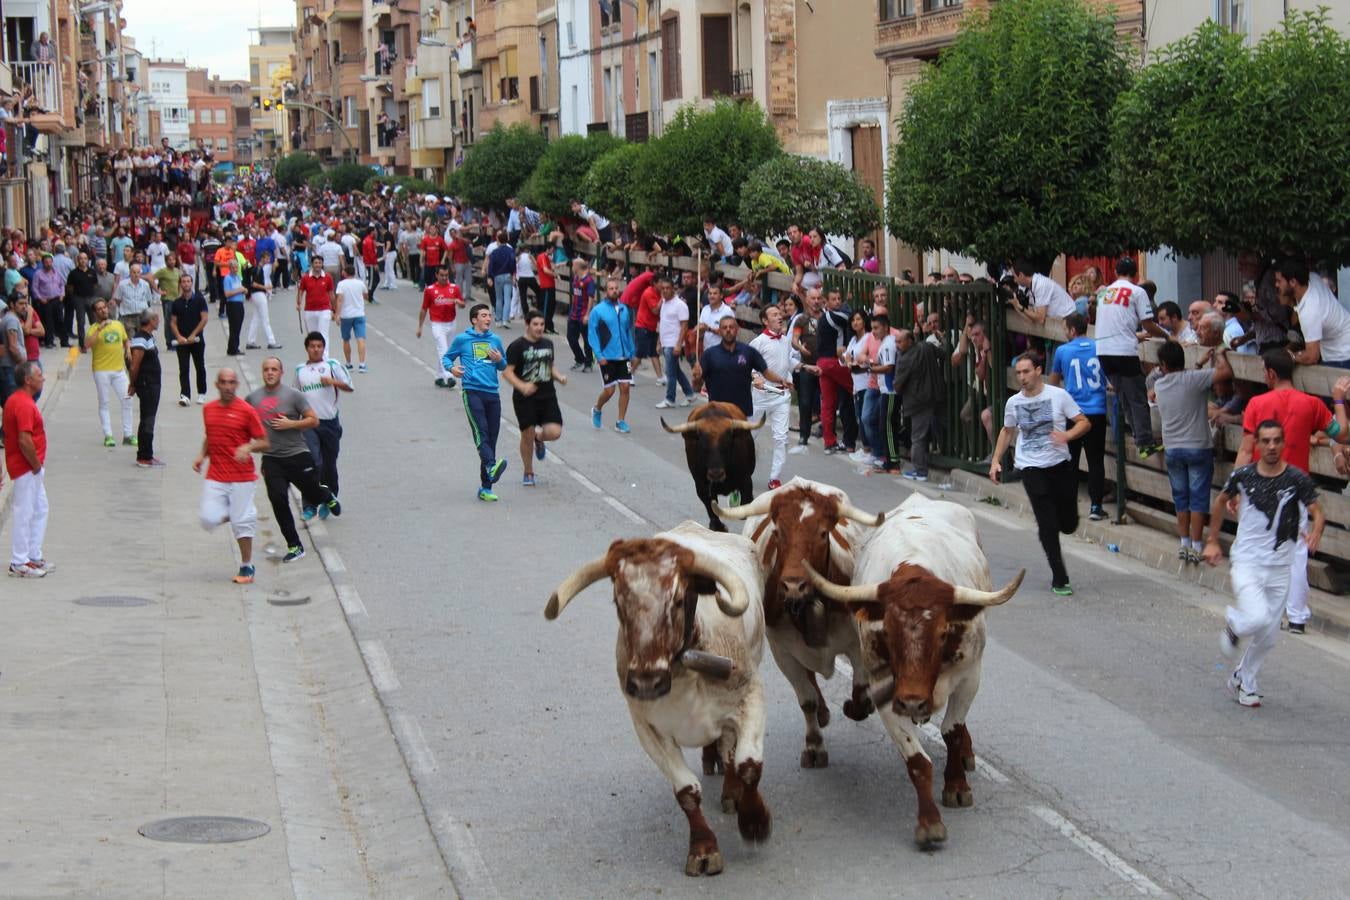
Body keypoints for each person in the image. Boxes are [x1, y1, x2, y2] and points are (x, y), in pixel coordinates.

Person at [1205, 421, 1325, 708]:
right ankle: (1235, 624)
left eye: (1276, 441)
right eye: (1266, 441)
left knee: (1268, 637)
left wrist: (1316, 531)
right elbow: (1221, 501)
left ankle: (1244, 680)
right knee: (1257, 617)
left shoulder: (1297, 479)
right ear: (1257, 445)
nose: (1271, 446)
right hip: (1248, 562)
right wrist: (1212, 540)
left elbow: (1317, 511)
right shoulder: (1243, 476)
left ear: (1284, 444)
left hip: (1280, 566)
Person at [1233, 350, 1350, 635]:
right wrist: (1337, 399)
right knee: (1296, 551)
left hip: (1259, 485)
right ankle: (1296, 616)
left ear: (1270, 374)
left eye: (1264, 371)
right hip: (1295, 487)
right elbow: (1342, 433)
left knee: (1252, 546)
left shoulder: (1257, 404)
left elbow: (1247, 449)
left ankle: (1257, 608)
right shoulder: (1311, 404)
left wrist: (1235, 488)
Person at [990, 352, 1091, 596]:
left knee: (1068, 524)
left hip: (1060, 466)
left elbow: (1084, 422)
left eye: (1026, 372)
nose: (1022, 377)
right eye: (1018, 373)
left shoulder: (1058, 396)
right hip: (1031, 467)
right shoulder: (1014, 402)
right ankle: (1060, 577)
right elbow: (1007, 430)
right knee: (1047, 524)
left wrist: (1067, 435)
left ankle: (1065, 523)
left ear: (1038, 370)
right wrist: (995, 460)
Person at [247, 357, 340, 563]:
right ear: (262, 372)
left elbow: (313, 420)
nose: (270, 372)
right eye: (266, 369)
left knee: (312, 493)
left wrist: (290, 424)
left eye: (274, 369)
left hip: (297, 454)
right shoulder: (252, 399)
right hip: (272, 459)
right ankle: (295, 545)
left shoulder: (293, 395)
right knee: (278, 500)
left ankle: (326, 495)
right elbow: (245, 423)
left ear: (281, 372)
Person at [1150, 340, 1232, 562]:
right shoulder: (1195, 380)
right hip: (1198, 447)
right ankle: (1197, 545)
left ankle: (1184, 543)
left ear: (1164, 365)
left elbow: (1182, 380)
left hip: (1173, 449)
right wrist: (1221, 353)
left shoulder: (1160, 385)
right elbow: (1224, 372)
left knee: (1181, 498)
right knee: (1198, 499)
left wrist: (1199, 363)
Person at [194, 367, 269, 585]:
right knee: (207, 520)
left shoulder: (246, 411)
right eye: (223, 383)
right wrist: (201, 456)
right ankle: (237, 512)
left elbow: (264, 442)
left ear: (237, 385)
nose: (227, 387)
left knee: (241, 524)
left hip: (242, 477)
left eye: (231, 383)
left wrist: (247, 447)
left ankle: (247, 566)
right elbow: (211, 436)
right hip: (216, 474)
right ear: (217, 385)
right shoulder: (208, 409)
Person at [1094, 258, 1166, 457]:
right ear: (1135, 275)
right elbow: (1149, 325)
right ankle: (1145, 442)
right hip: (1124, 350)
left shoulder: (1104, 293)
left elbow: (1112, 321)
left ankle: (1138, 437)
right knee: (1138, 397)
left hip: (1103, 350)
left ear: (1116, 272)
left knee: (1124, 396)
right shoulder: (1137, 291)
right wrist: (1168, 336)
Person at [444, 304, 509, 501]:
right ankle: (490, 466)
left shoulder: (495, 340)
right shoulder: (463, 340)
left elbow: (504, 365)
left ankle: (486, 487)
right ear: (474, 320)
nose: (488, 318)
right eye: (484, 315)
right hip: (472, 391)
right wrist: (452, 369)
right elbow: (447, 358)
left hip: (492, 393)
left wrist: (499, 360)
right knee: (481, 432)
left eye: (489, 315)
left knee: (492, 437)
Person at [1049, 313, 1108, 520]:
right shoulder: (1098, 347)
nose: (1065, 332)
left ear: (1073, 330)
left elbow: (1053, 382)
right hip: (1097, 411)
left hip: (1072, 413)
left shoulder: (1062, 351)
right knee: (1095, 461)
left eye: (1066, 328)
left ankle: (1069, 507)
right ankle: (1095, 507)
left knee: (1070, 461)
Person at [504, 310, 568, 487]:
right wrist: (523, 386)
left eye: (542, 324)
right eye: (536, 324)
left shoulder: (548, 343)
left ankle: (539, 439)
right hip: (525, 398)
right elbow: (507, 372)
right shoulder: (517, 346)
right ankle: (528, 471)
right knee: (526, 434)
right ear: (527, 324)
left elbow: (550, 365)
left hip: (547, 394)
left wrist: (559, 376)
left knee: (555, 432)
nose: (539, 328)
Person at [294, 331, 353, 504]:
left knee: (329, 465)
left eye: (319, 346)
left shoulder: (332, 365)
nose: (316, 349)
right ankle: (310, 503)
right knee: (313, 463)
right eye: (312, 346)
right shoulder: (300, 370)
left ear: (323, 348)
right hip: (309, 423)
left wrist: (333, 382)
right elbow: (295, 396)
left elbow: (350, 386)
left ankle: (330, 497)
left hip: (330, 423)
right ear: (307, 349)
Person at [694, 312, 788, 418]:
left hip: (742, 412)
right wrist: (696, 377)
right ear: (719, 331)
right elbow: (697, 386)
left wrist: (781, 380)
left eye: (731, 327)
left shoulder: (749, 352)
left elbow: (766, 372)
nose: (728, 330)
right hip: (717, 413)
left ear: (737, 330)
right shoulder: (709, 354)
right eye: (724, 328)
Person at [4, 362, 50, 577]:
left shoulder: (20, 400)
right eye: (39, 375)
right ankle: (19, 560)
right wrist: (36, 465)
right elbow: (24, 439)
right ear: (28, 380)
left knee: (40, 508)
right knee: (25, 511)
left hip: (29, 466)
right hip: (27, 467)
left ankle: (32, 555)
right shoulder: (23, 404)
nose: (43, 378)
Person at [891, 325, 945, 482]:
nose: (897, 345)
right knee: (939, 426)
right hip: (936, 396)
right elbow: (943, 353)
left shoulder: (904, 359)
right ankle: (943, 451)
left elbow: (897, 385)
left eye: (900, 342)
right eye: (896, 342)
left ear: (909, 341)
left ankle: (920, 471)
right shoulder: (926, 347)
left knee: (918, 438)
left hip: (917, 402)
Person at [749, 305, 794, 489]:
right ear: (765, 321)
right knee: (750, 435)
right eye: (774, 314)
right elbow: (749, 366)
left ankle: (775, 477)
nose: (780, 316)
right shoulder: (757, 343)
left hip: (781, 394)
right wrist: (755, 377)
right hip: (761, 394)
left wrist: (800, 370)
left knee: (781, 437)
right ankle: (742, 471)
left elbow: (788, 361)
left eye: (780, 313)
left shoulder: (786, 340)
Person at [1278, 257, 1350, 368]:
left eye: (1279, 281)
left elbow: (1312, 356)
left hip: (1341, 356)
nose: (1276, 285)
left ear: (1293, 282)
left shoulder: (1310, 311)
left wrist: (1289, 357)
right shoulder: (1312, 278)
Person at [588, 276, 635, 434]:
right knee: (609, 391)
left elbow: (628, 331)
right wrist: (599, 355)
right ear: (605, 291)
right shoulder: (598, 311)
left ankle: (620, 421)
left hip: (624, 356)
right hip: (607, 357)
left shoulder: (624, 309)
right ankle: (597, 408)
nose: (615, 290)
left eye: (616, 288)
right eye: (611, 288)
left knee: (626, 387)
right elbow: (592, 335)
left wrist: (631, 351)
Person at [84, 298, 134, 447]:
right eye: (99, 309)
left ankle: (128, 434)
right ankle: (108, 435)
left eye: (104, 307)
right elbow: (86, 345)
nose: (103, 310)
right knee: (104, 403)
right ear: (95, 313)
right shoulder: (93, 328)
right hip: (101, 370)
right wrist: (100, 328)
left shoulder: (118, 324)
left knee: (127, 399)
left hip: (119, 370)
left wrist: (128, 349)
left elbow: (125, 339)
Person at [126, 310, 164, 467]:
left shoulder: (147, 337)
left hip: (152, 383)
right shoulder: (141, 338)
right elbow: (134, 365)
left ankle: (147, 453)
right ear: (152, 321)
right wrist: (132, 383)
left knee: (149, 418)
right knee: (147, 419)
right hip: (147, 384)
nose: (159, 322)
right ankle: (144, 456)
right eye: (157, 319)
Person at [418, 266, 464, 388]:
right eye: (442, 275)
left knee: (447, 350)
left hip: (451, 323)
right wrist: (420, 326)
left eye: (446, 275)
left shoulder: (454, 288)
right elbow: (424, 309)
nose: (444, 278)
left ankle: (439, 376)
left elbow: (462, 304)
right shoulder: (430, 290)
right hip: (437, 324)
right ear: (437, 275)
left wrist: (459, 303)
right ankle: (449, 376)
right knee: (442, 348)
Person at [654, 274, 695, 409]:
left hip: (673, 343)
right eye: (662, 289)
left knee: (670, 372)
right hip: (666, 341)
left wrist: (679, 344)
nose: (665, 291)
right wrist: (659, 342)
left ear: (673, 289)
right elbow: (663, 323)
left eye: (667, 288)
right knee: (676, 371)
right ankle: (689, 393)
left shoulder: (680, 305)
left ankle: (670, 398)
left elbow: (684, 326)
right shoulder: (664, 303)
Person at [171, 274, 209, 406]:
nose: (186, 284)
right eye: (183, 282)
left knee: (200, 367)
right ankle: (185, 395)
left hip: (197, 340)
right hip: (182, 342)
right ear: (180, 284)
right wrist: (178, 336)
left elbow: (204, 319)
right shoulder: (176, 303)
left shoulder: (199, 300)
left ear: (191, 283)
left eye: (188, 281)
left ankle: (202, 393)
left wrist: (194, 334)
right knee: (184, 369)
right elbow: (173, 322)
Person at [243, 251, 281, 351]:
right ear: (262, 258)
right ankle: (271, 341)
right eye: (267, 258)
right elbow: (254, 284)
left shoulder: (258, 268)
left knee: (256, 318)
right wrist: (266, 287)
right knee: (265, 319)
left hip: (256, 295)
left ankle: (250, 341)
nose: (268, 261)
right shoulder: (258, 269)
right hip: (259, 294)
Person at [334, 264, 369, 373]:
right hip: (359, 314)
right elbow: (366, 295)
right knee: (361, 339)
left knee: (346, 339)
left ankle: (349, 363)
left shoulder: (341, 284)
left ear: (344, 273)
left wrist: (337, 314)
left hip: (346, 316)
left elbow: (339, 299)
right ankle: (362, 364)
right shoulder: (360, 283)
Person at [297, 255, 335, 351]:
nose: (318, 265)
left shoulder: (327, 277)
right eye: (316, 263)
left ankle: (325, 358)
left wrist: (334, 309)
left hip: (324, 310)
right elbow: (300, 292)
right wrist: (298, 303)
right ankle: (313, 356)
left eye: (319, 263)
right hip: (309, 310)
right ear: (312, 264)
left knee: (323, 335)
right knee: (312, 336)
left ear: (322, 264)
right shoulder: (306, 278)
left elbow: (331, 294)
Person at [565, 258, 595, 372]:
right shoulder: (576, 278)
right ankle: (579, 358)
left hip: (583, 314)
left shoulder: (588, 280)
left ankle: (589, 363)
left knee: (587, 340)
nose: (572, 267)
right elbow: (574, 295)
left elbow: (591, 298)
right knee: (571, 337)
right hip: (574, 314)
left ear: (577, 266)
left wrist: (587, 314)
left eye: (573, 265)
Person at [113, 261, 153, 338]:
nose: (136, 274)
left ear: (140, 273)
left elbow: (149, 300)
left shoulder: (145, 285)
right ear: (130, 273)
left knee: (142, 337)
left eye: (138, 272)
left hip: (141, 316)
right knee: (131, 339)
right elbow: (117, 299)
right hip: (128, 316)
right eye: (134, 272)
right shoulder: (122, 284)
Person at [222, 259, 247, 356]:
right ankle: (233, 348)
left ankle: (233, 347)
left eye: (236, 267)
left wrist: (244, 290)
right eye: (233, 267)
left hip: (240, 303)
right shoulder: (227, 278)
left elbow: (240, 289)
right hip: (232, 304)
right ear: (230, 268)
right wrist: (239, 290)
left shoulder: (238, 277)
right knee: (234, 327)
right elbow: (227, 294)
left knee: (238, 326)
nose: (235, 269)